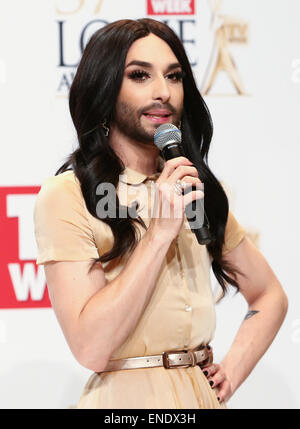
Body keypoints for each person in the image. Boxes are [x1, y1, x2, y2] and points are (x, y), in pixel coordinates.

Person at [33, 18, 288, 409]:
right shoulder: (69, 195)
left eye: (174, 76)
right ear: (104, 88)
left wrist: (231, 373)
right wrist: (158, 235)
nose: (163, 92)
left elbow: (269, 294)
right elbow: (90, 348)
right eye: (139, 75)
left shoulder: (191, 185)